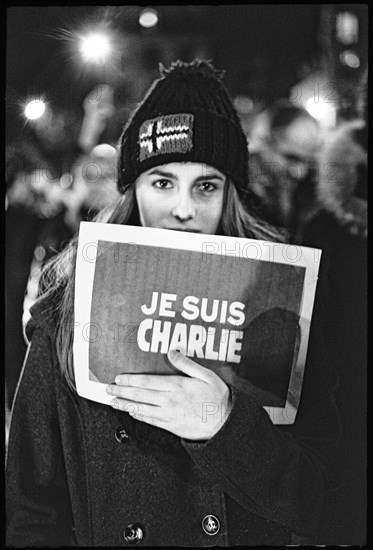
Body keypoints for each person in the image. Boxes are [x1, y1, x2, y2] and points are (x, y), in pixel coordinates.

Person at [6, 59, 342, 547]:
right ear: (133, 189)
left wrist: (226, 426)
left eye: (206, 185)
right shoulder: (69, 308)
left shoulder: (284, 303)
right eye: (162, 182)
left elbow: (328, 499)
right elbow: (31, 507)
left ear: (230, 194)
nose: (184, 208)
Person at [247, 100, 321, 242]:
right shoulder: (233, 192)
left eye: (307, 162)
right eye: (290, 157)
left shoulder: (306, 194)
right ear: (263, 143)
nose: (300, 172)